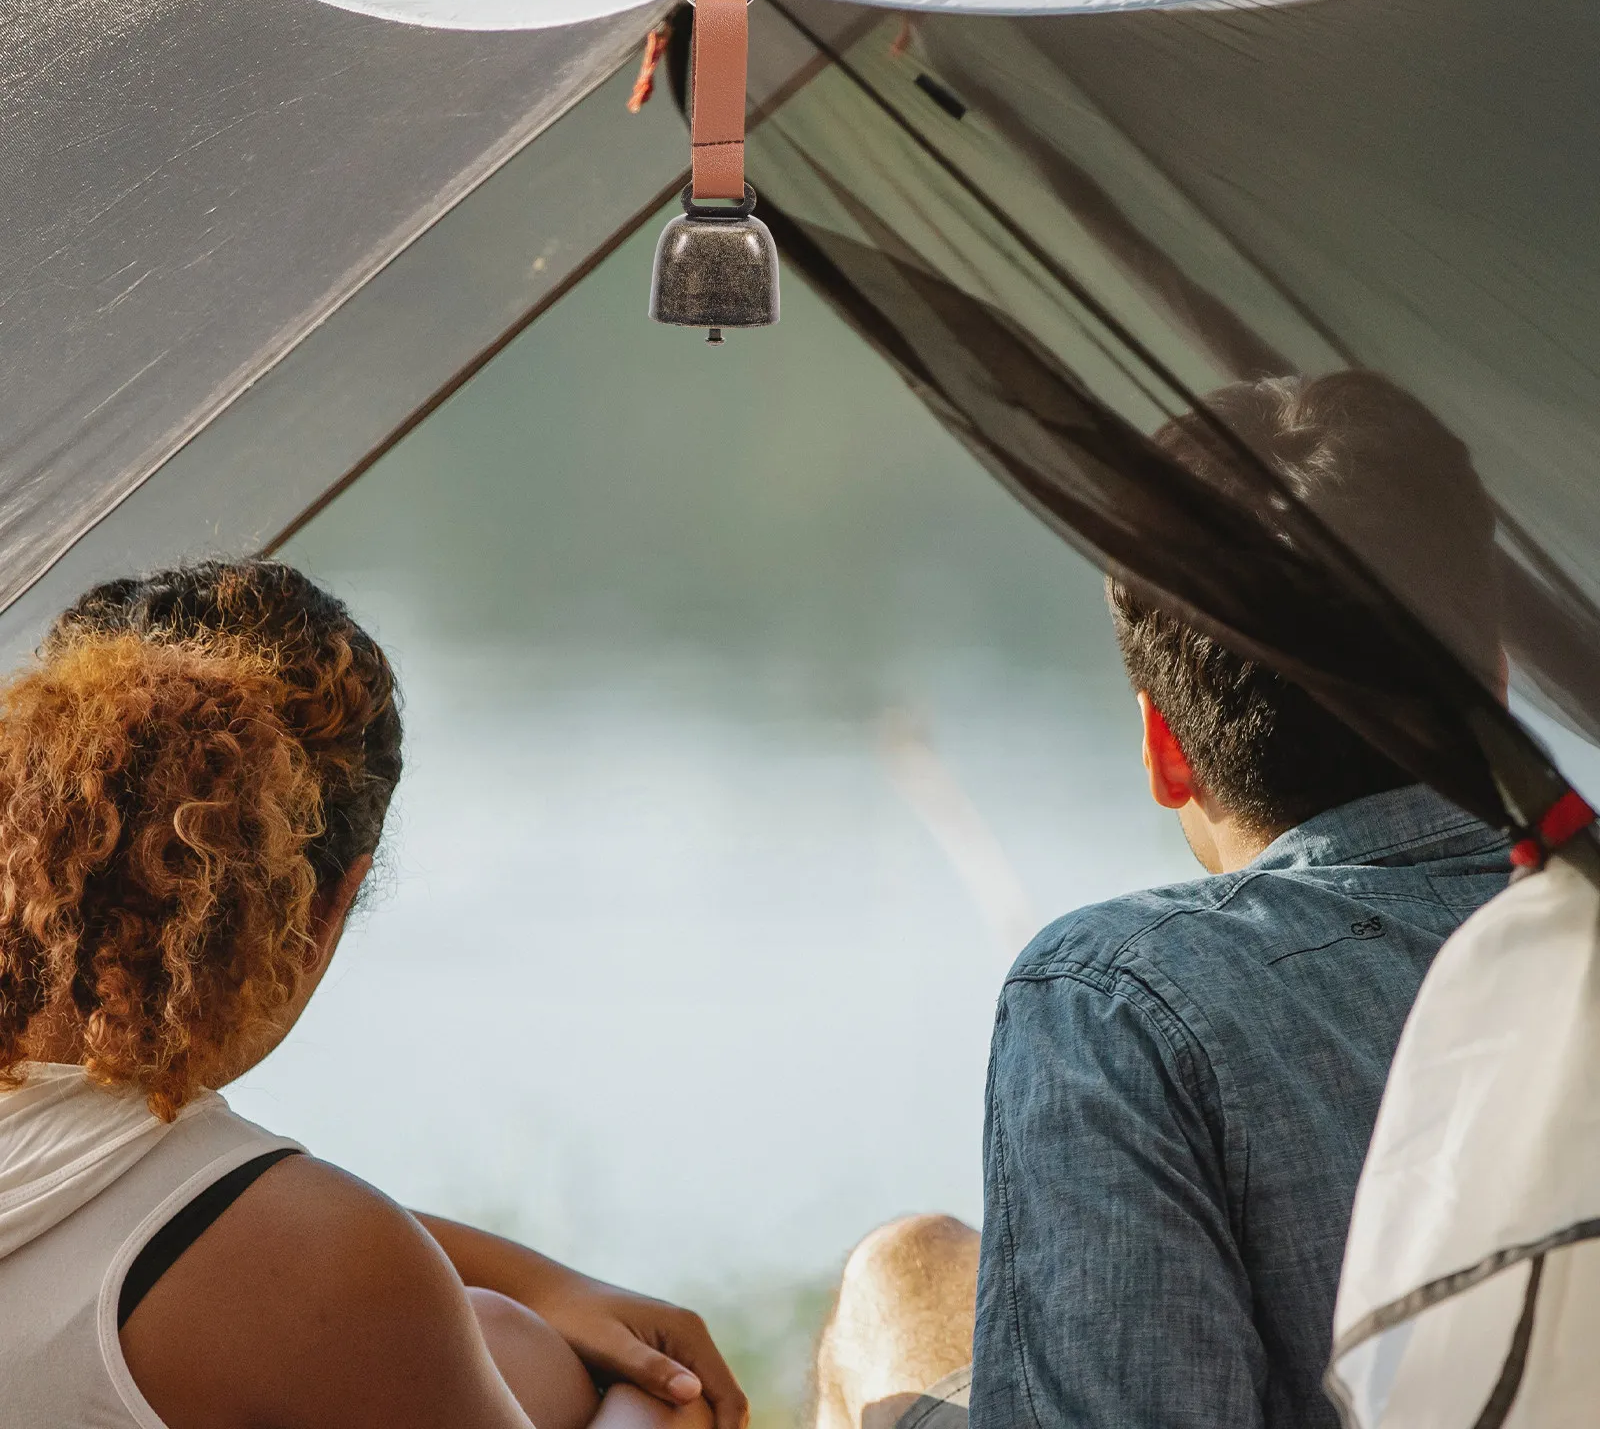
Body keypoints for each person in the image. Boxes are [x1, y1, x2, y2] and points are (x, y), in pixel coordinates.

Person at [814, 373, 1512, 1429]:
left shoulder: (1121, 1003)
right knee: (930, 1264)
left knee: (890, 1289)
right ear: (1497, 679)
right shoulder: (1567, 913)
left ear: (1163, 748)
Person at [0, 559, 749, 1429]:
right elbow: (247, 1235)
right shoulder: (308, 1255)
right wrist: (654, 1412)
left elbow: (138, 1209)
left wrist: (544, 1283)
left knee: (506, 1336)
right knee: (526, 1356)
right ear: (327, 907)